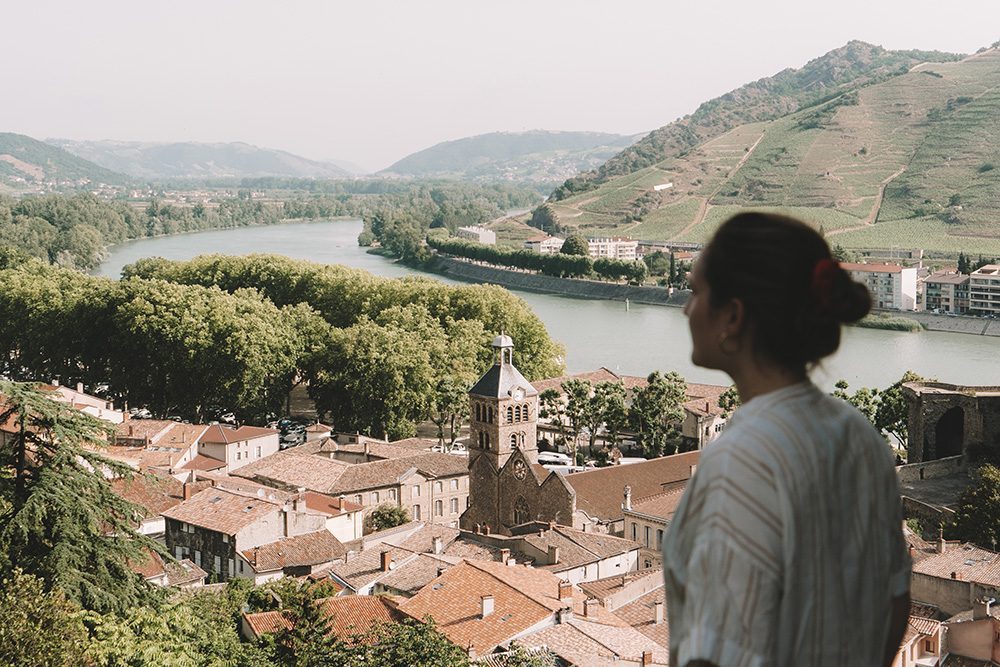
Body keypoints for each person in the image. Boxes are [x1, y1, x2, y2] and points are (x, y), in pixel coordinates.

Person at [662, 212, 910, 667]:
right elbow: (896, 601)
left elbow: (716, 655)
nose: (685, 308)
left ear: (733, 316)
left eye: (696, 291)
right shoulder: (861, 438)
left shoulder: (740, 463)